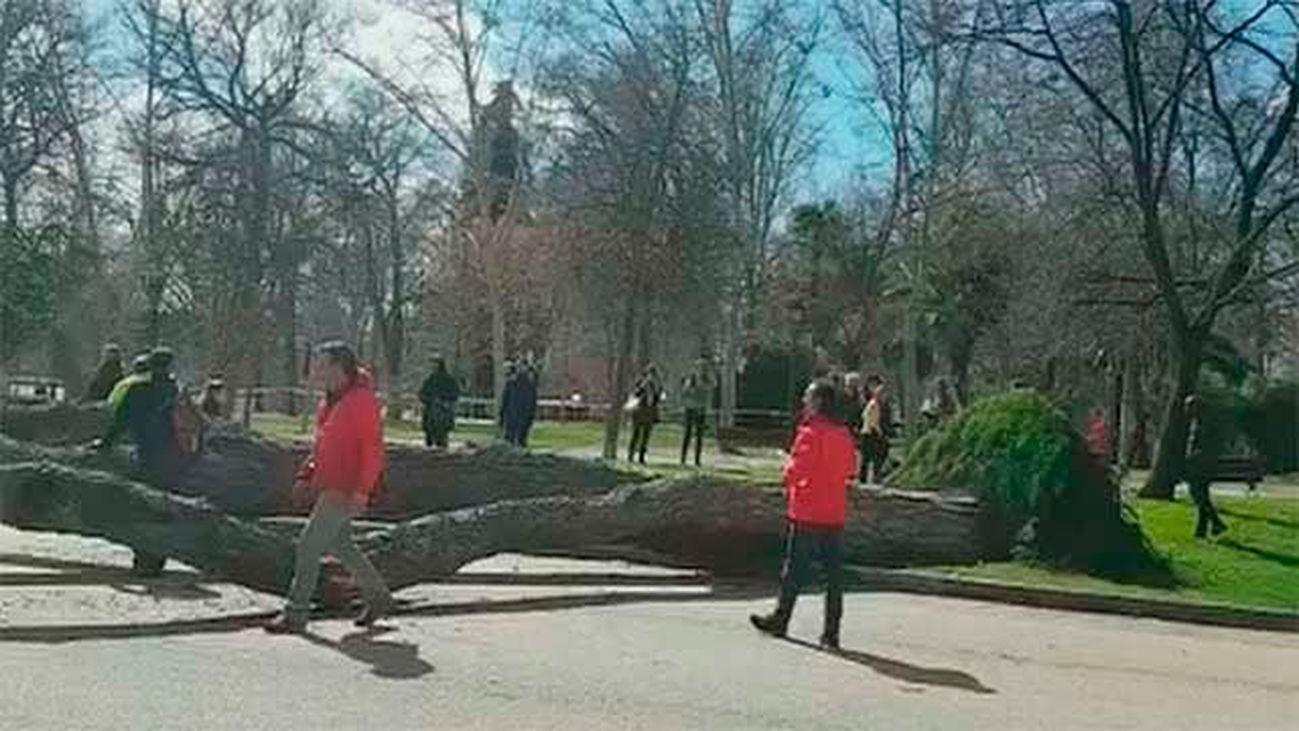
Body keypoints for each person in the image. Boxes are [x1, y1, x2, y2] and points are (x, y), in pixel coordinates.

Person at [265, 341, 393, 634]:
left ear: (340, 367)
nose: (317, 371)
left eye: (322, 365)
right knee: (342, 545)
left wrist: (362, 491)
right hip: (330, 484)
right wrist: (306, 474)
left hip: (345, 488)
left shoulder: (361, 401)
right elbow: (323, 447)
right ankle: (379, 597)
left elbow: (373, 451)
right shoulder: (331, 401)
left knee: (309, 546)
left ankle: (295, 614)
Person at [750, 379, 858, 651]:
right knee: (833, 575)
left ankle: (781, 618)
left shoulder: (811, 432)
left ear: (819, 402)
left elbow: (799, 468)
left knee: (795, 570)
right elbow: (850, 469)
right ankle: (831, 633)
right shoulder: (843, 433)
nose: (803, 402)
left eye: (807, 398)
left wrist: (786, 476)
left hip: (809, 508)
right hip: (833, 510)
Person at [93, 347, 188, 576]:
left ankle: (144, 559)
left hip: (147, 457)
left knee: (143, 507)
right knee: (163, 510)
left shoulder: (138, 390)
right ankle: (159, 558)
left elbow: (120, 422)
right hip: (175, 459)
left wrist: (103, 444)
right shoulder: (176, 391)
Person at [1184, 395, 1227, 539]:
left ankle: (1217, 522)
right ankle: (1202, 531)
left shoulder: (1205, 423)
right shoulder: (1199, 421)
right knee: (1203, 496)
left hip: (1202, 465)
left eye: (1189, 407)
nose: (1187, 410)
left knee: (1197, 494)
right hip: (1201, 464)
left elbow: (1207, 445)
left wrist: (1195, 456)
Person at [419, 356, 461, 448]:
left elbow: (455, 393)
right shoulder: (430, 380)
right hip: (431, 406)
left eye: (435, 365)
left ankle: (441, 439)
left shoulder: (448, 380)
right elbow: (423, 393)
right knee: (429, 419)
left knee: (443, 424)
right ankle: (430, 438)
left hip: (444, 406)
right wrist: (428, 400)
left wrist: (445, 400)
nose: (433, 368)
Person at [627, 364, 663, 464]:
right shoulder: (640, 382)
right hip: (639, 410)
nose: (651, 376)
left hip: (650, 412)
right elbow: (635, 394)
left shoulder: (656, 385)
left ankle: (641, 456)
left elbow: (658, 397)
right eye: (650, 373)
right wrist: (642, 388)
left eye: (653, 373)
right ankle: (631, 454)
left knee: (646, 435)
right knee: (636, 433)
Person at [679, 362, 712, 466]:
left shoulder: (706, 379)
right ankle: (683, 458)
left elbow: (711, 387)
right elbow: (685, 392)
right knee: (687, 434)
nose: (701, 370)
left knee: (699, 435)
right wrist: (690, 389)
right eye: (699, 367)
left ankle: (697, 459)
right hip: (690, 408)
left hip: (701, 409)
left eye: (703, 368)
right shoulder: (691, 379)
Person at [860, 374, 889, 485]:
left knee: (867, 458)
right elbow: (873, 421)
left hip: (867, 432)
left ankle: (866, 479)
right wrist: (880, 433)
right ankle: (873, 478)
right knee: (874, 457)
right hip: (870, 433)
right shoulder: (874, 405)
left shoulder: (872, 403)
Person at [518, 363, 540, 447]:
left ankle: (523, 442)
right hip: (523, 411)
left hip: (529, 411)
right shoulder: (524, 386)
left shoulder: (533, 387)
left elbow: (533, 400)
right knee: (522, 429)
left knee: (526, 428)